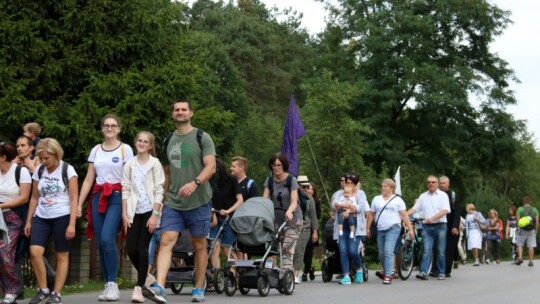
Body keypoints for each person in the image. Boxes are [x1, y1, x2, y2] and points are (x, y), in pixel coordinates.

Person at [145, 100, 216, 304]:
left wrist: (195, 183)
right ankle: (159, 286)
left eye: (184, 109)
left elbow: (210, 167)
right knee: (166, 240)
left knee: (199, 245)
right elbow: (167, 173)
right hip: (174, 202)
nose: (180, 112)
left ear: (191, 113)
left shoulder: (202, 137)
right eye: (177, 110)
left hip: (199, 200)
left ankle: (198, 286)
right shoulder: (169, 139)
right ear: (172, 114)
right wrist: (162, 199)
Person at [77, 114, 134, 301]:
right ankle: (107, 283)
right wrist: (79, 203)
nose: (110, 128)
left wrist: (128, 206)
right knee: (101, 241)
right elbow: (88, 178)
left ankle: (113, 284)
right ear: (102, 128)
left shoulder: (126, 150)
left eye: (113, 125)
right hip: (98, 196)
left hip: (117, 196)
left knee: (108, 239)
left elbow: (129, 180)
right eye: (106, 125)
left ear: (119, 128)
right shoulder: (96, 150)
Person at [24, 138, 78, 304]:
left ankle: (56, 293)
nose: (44, 161)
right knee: (35, 252)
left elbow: (74, 198)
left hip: (62, 215)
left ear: (56, 155)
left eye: (47, 158)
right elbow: (34, 197)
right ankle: (43, 289)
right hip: (41, 216)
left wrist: (71, 224)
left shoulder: (67, 170)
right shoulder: (39, 171)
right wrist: (28, 221)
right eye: (41, 158)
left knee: (62, 254)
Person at [121, 132, 165, 303]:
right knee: (131, 248)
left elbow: (159, 190)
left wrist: (155, 215)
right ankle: (146, 277)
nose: (141, 143)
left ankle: (138, 289)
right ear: (135, 143)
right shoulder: (129, 164)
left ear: (150, 146)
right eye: (139, 140)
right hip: (133, 211)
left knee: (142, 248)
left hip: (149, 211)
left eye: (145, 141)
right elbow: (125, 189)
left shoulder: (155, 164)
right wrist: (124, 214)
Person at [0, 142, 31, 304]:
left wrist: (2, 205)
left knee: (4, 252)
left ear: (3, 157)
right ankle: (8, 291)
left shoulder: (21, 171)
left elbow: (24, 198)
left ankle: (12, 289)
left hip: (13, 217)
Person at [367, 178, 413, 285]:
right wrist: (368, 228)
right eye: (382, 186)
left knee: (388, 251)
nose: (383, 188)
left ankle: (388, 275)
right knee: (382, 253)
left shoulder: (398, 200)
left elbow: (404, 215)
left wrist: (410, 230)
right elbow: (371, 214)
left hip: (393, 228)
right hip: (380, 229)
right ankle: (387, 270)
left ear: (392, 188)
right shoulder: (376, 199)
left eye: (385, 186)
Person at [263, 153, 302, 271]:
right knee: (271, 248)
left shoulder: (291, 180)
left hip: (293, 219)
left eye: (279, 165)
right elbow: (264, 200)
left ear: (284, 165)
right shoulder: (269, 181)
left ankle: (286, 276)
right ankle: (270, 273)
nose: (276, 168)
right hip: (276, 221)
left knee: (286, 249)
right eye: (274, 165)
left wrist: (290, 211)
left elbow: (294, 201)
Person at [407, 175, 450, 280]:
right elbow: (414, 209)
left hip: (440, 226)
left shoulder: (443, 195)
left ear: (437, 184)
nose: (431, 184)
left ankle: (441, 272)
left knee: (440, 251)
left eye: (433, 182)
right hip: (427, 227)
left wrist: (432, 218)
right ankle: (423, 272)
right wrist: (404, 215)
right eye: (429, 182)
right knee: (426, 249)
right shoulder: (423, 196)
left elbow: (445, 210)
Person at [331, 174, 370, 285]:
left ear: (355, 184)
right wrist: (345, 206)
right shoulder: (339, 193)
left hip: (355, 224)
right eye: (347, 182)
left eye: (351, 183)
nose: (348, 185)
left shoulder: (360, 194)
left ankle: (359, 269)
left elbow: (360, 207)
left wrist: (348, 209)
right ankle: (346, 275)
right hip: (341, 224)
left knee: (352, 250)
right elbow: (334, 206)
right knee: (343, 250)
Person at [208, 159, 243, 272]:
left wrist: (229, 210)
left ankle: (235, 274)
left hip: (228, 217)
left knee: (227, 248)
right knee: (214, 247)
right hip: (214, 218)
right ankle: (217, 276)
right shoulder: (209, 182)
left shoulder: (232, 181)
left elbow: (240, 200)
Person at [292, 175, 319, 284]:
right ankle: (289, 271)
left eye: (308, 187)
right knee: (290, 251)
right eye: (304, 187)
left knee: (299, 250)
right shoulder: (292, 196)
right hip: (292, 227)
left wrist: (315, 232)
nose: (307, 189)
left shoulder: (310, 199)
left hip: (305, 228)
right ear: (297, 186)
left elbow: (313, 216)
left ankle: (295, 275)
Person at [438, 176, 460, 277]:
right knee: (437, 247)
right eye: (441, 183)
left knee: (449, 248)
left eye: (444, 183)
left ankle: (447, 269)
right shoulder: (435, 195)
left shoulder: (453, 195)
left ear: (448, 184)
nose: (442, 185)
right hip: (437, 224)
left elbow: (457, 212)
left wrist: (455, 226)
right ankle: (436, 269)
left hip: (450, 225)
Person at [302, 182, 321, 282]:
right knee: (303, 252)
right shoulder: (302, 199)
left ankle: (305, 273)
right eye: (307, 188)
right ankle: (309, 268)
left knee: (309, 251)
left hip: (312, 227)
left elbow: (317, 216)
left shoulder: (317, 202)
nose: (309, 190)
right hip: (302, 227)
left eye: (311, 189)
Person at [515, 196, 539, 266]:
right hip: (531, 229)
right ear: (530, 202)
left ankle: (520, 258)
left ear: (523, 202)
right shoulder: (534, 209)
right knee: (531, 246)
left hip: (522, 229)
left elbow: (517, 219)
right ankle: (531, 261)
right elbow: (537, 220)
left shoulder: (520, 209)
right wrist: (536, 229)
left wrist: (517, 227)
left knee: (520, 244)